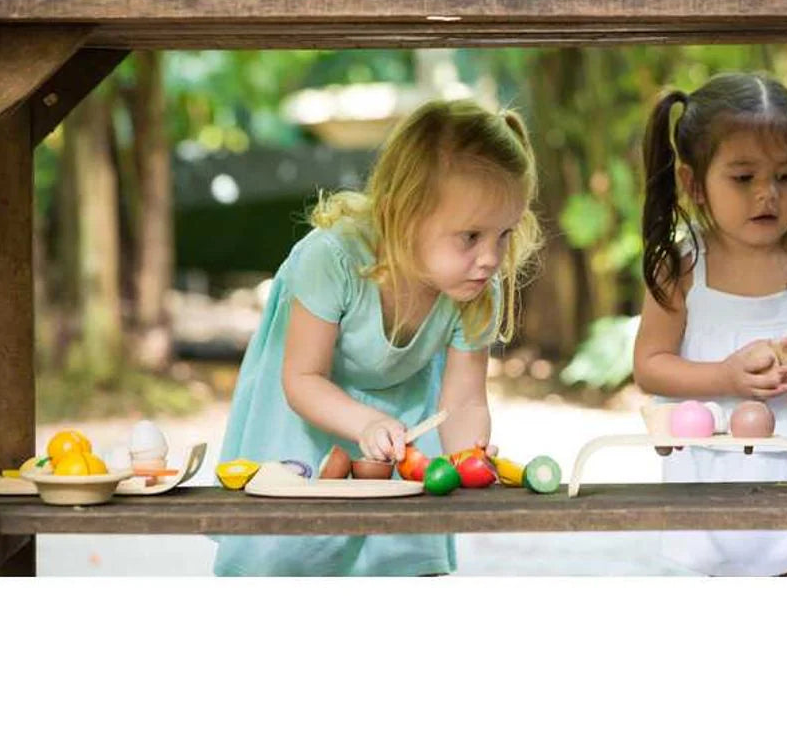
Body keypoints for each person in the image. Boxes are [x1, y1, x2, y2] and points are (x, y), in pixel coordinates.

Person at [213, 98, 542, 576]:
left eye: (504, 234)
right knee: (290, 550)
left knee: (399, 553)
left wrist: (467, 454)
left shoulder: (474, 288)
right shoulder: (332, 258)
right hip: (307, 412)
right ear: (403, 214)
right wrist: (364, 423)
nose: (491, 258)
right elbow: (302, 378)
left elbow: (464, 401)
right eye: (471, 236)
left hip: (401, 416)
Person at [633, 72, 787, 576]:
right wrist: (724, 377)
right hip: (718, 479)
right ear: (694, 183)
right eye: (743, 178)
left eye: (785, 177)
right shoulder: (683, 268)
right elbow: (650, 366)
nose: (767, 194)